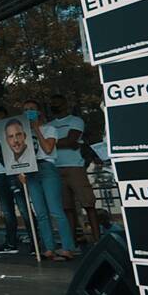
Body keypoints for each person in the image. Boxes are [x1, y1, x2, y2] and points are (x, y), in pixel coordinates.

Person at [20, 100, 75, 261]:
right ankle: (49, 247)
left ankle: (67, 247)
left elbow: (48, 148)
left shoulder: (49, 128)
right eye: (25, 109)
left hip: (46, 167)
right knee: (41, 213)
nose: (28, 111)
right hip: (31, 171)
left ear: (39, 112)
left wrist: (36, 128)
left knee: (55, 210)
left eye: (31, 109)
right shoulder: (22, 132)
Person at [49, 94, 98, 245]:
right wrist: (64, 143)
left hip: (75, 167)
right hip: (56, 168)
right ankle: (71, 243)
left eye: (58, 101)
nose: (55, 104)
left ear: (65, 104)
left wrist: (51, 143)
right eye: (53, 102)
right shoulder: (49, 125)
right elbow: (68, 142)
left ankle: (97, 240)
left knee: (88, 204)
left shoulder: (75, 120)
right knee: (67, 208)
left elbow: (71, 140)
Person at [0, 106, 32, 255]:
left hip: (16, 172)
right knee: (7, 211)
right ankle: (10, 242)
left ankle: (34, 241)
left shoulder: (14, 130)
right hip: (1, 174)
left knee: (24, 209)